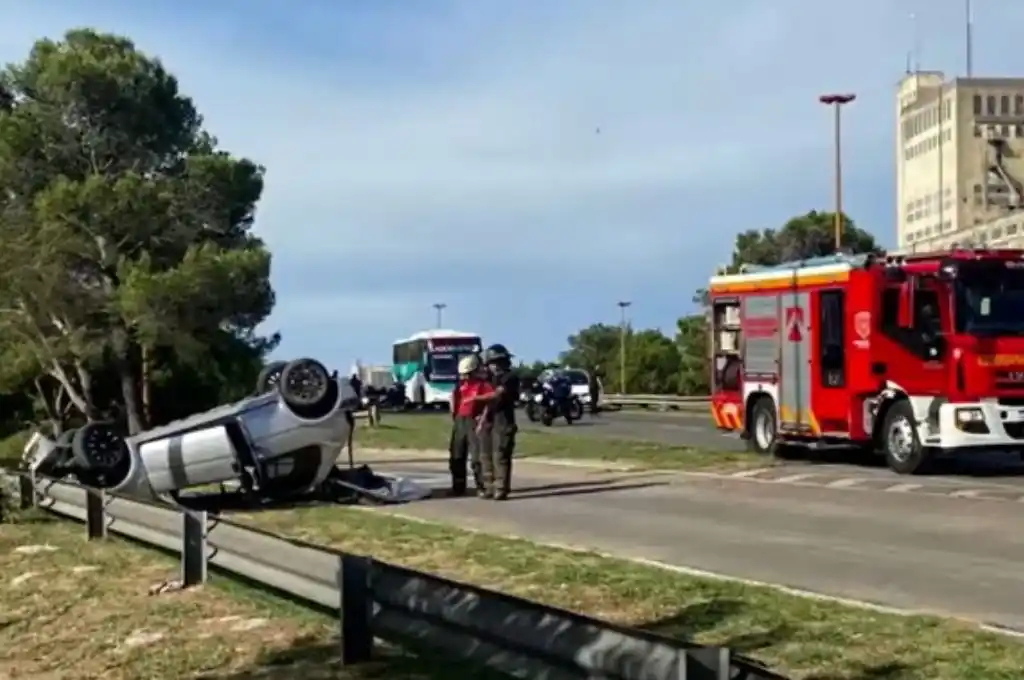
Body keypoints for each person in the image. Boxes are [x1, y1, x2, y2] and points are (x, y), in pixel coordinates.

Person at [469, 343, 520, 500]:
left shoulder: (509, 377)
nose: (494, 366)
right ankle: (489, 486)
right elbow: (488, 405)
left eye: (497, 362)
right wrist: (481, 421)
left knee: (500, 454)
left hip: (503, 419)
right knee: (485, 454)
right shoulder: (489, 379)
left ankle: (501, 488)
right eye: (491, 363)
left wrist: (475, 398)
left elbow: (497, 395)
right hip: (489, 418)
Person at [448, 353, 491, 496]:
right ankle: (458, 487)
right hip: (460, 420)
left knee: (476, 457)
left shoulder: (482, 385)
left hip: (474, 420)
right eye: (461, 375)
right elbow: (454, 400)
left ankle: (482, 486)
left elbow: (488, 403)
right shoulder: (459, 386)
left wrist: (482, 421)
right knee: (457, 454)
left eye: (466, 374)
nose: (463, 377)